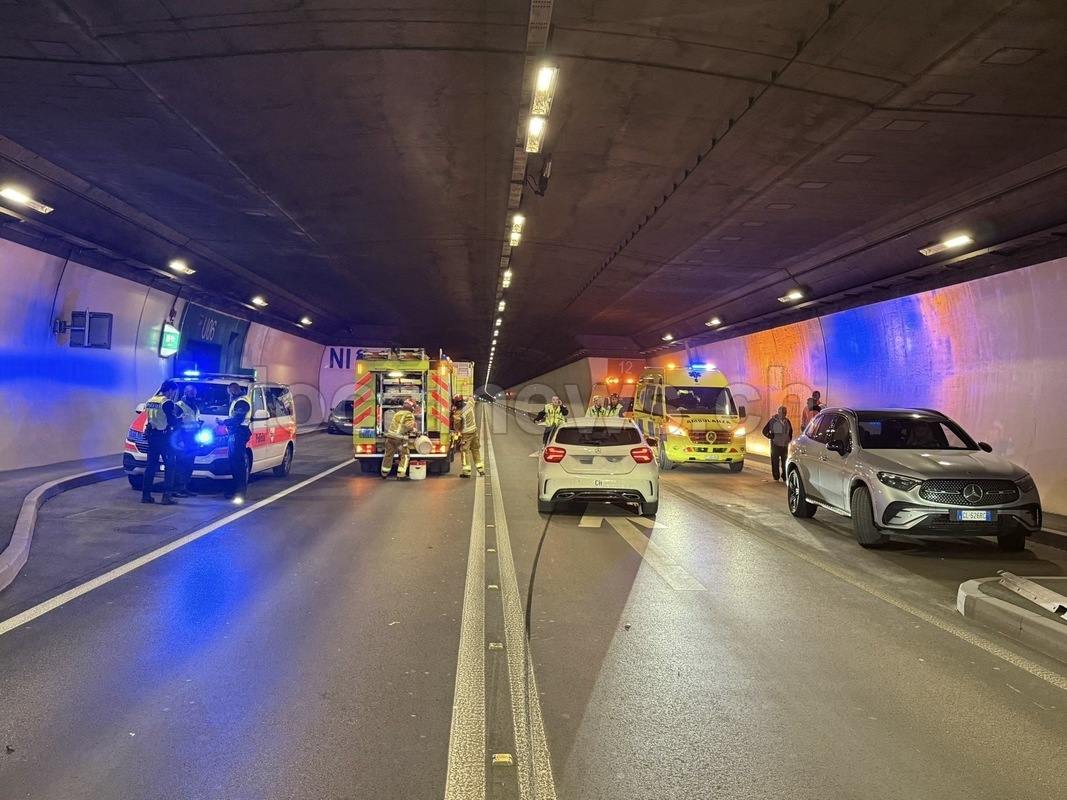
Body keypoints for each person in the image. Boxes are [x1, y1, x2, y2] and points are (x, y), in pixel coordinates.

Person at [141, 380, 182, 505]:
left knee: (150, 466)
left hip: (152, 436)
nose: (173, 394)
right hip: (164, 438)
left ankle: (146, 495)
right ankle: (167, 496)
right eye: (173, 392)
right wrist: (180, 419)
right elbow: (171, 421)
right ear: (170, 390)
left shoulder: (150, 401)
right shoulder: (167, 402)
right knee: (170, 465)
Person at [218, 382, 252, 501]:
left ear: (232, 390)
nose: (229, 395)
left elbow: (238, 419)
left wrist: (223, 422)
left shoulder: (241, 402)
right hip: (235, 433)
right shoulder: (238, 400)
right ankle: (235, 490)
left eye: (229, 392)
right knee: (234, 463)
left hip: (239, 433)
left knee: (238, 463)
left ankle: (240, 492)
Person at [173, 384, 201, 497]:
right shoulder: (179, 406)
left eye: (194, 394)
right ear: (185, 393)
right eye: (190, 393)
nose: (193, 396)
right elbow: (176, 425)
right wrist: (179, 440)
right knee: (181, 464)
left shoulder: (194, 406)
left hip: (192, 440)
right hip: (183, 439)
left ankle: (184, 487)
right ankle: (177, 488)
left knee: (189, 464)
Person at [382, 397, 418, 479]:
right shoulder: (409, 414)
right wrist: (415, 430)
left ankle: (384, 472)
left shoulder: (397, 413)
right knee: (405, 455)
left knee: (388, 455)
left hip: (390, 437)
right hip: (399, 439)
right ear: (412, 407)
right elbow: (408, 426)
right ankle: (401, 474)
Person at [453, 395, 484, 478]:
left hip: (466, 434)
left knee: (465, 451)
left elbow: (456, 426)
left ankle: (466, 472)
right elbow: (471, 398)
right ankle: (481, 470)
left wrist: (457, 429)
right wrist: (464, 397)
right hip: (474, 431)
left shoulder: (458, 412)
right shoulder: (470, 404)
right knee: (475, 450)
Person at [761, 405, 794, 482]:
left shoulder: (787, 421)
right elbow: (765, 431)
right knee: (775, 461)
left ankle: (785, 476)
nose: (784, 414)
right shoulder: (773, 421)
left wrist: (789, 439)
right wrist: (772, 437)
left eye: (785, 412)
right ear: (778, 413)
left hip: (784, 445)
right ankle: (776, 477)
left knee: (785, 461)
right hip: (775, 444)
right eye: (782, 413)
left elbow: (790, 431)